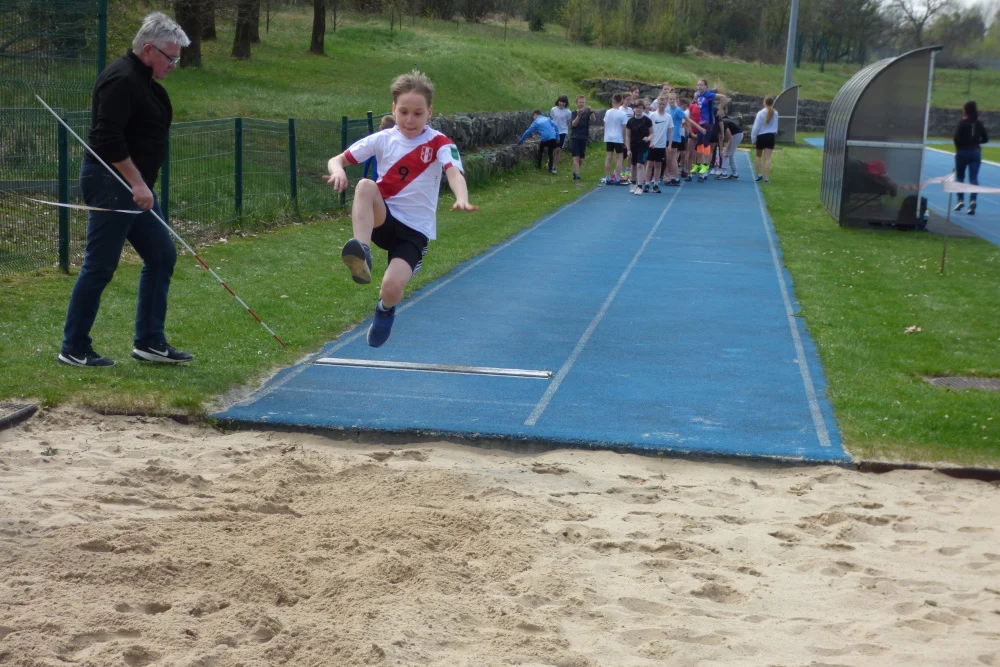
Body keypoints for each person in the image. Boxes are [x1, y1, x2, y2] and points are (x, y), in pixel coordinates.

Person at [58, 13, 192, 368]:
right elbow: (107, 138)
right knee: (100, 265)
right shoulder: (120, 79)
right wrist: (136, 182)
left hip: (137, 187)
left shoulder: (146, 82)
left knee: (161, 255)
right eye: (170, 58)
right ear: (148, 50)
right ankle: (74, 347)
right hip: (112, 183)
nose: (173, 65)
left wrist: (142, 184)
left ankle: (149, 342)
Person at [326, 70, 478, 348]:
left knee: (391, 287)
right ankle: (362, 253)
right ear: (393, 108)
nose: (410, 120)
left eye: (418, 114)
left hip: (414, 233)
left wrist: (462, 196)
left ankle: (385, 310)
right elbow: (337, 160)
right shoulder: (382, 138)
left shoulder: (440, 143)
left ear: (430, 111)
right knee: (365, 186)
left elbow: (453, 171)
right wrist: (337, 171)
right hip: (383, 219)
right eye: (404, 112)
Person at [953, 100, 989, 215]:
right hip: (975, 152)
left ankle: (960, 200)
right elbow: (986, 139)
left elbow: (956, 138)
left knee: (960, 177)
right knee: (973, 178)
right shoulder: (979, 123)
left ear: (965, 110)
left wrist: (960, 148)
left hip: (963, 152)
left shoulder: (962, 123)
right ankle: (973, 200)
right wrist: (976, 142)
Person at [517, 109, 560, 174]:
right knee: (550, 153)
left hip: (545, 138)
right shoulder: (547, 118)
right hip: (552, 137)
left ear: (535, 114)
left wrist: (520, 141)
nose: (533, 118)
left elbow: (528, 132)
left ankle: (539, 167)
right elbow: (556, 126)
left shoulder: (536, 122)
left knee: (540, 151)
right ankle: (550, 169)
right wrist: (557, 136)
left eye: (533, 116)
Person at [625, 99, 653, 195]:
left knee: (640, 165)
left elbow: (652, 133)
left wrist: (648, 138)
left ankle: (640, 186)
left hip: (643, 146)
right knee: (633, 165)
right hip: (633, 146)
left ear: (643, 109)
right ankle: (633, 184)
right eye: (637, 108)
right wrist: (628, 149)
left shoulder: (647, 120)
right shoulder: (630, 121)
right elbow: (627, 136)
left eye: (641, 108)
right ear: (634, 109)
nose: (639, 110)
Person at [750, 96, 779, 183]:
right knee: (767, 158)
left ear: (764, 102)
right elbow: (775, 126)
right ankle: (767, 178)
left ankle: (760, 174)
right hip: (771, 136)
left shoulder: (760, 113)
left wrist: (753, 139)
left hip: (761, 136)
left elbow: (756, 127)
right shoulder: (776, 113)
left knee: (758, 156)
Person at [647, 95, 673, 192]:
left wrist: (670, 144)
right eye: (660, 104)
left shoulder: (668, 117)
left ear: (666, 105)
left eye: (663, 104)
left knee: (658, 165)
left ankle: (656, 184)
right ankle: (647, 183)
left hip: (661, 144)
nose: (661, 106)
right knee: (649, 164)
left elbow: (670, 131)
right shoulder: (652, 115)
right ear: (657, 104)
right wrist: (650, 141)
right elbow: (648, 130)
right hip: (652, 144)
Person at [602, 93, 628, 185]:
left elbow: (605, 124)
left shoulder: (608, 112)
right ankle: (617, 178)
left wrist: (606, 134)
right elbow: (624, 128)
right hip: (618, 137)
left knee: (608, 157)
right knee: (619, 157)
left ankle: (608, 177)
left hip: (609, 137)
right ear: (621, 101)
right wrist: (624, 139)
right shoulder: (623, 114)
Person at [569, 95, 596, 182]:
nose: (581, 104)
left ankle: (575, 172)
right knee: (576, 157)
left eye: (583, 102)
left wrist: (591, 112)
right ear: (576, 103)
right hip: (575, 137)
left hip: (584, 137)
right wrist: (578, 116)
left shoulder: (587, 113)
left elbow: (593, 120)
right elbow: (573, 124)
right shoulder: (573, 113)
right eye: (580, 102)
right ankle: (577, 175)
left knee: (581, 159)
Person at [717, 106, 744, 180]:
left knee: (728, 154)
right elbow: (720, 137)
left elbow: (731, 138)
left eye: (719, 110)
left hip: (737, 135)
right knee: (726, 153)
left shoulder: (723, 121)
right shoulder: (719, 121)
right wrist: (721, 150)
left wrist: (727, 151)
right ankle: (733, 173)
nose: (717, 112)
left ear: (723, 111)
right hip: (735, 135)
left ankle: (725, 173)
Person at [550, 95, 572, 169]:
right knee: (553, 148)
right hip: (554, 131)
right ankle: (550, 161)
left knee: (558, 149)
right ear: (558, 101)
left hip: (563, 131)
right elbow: (552, 119)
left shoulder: (568, 112)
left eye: (563, 102)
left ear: (566, 103)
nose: (562, 103)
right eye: (560, 101)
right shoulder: (553, 109)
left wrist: (567, 131)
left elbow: (568, 122)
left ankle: (554, 167)